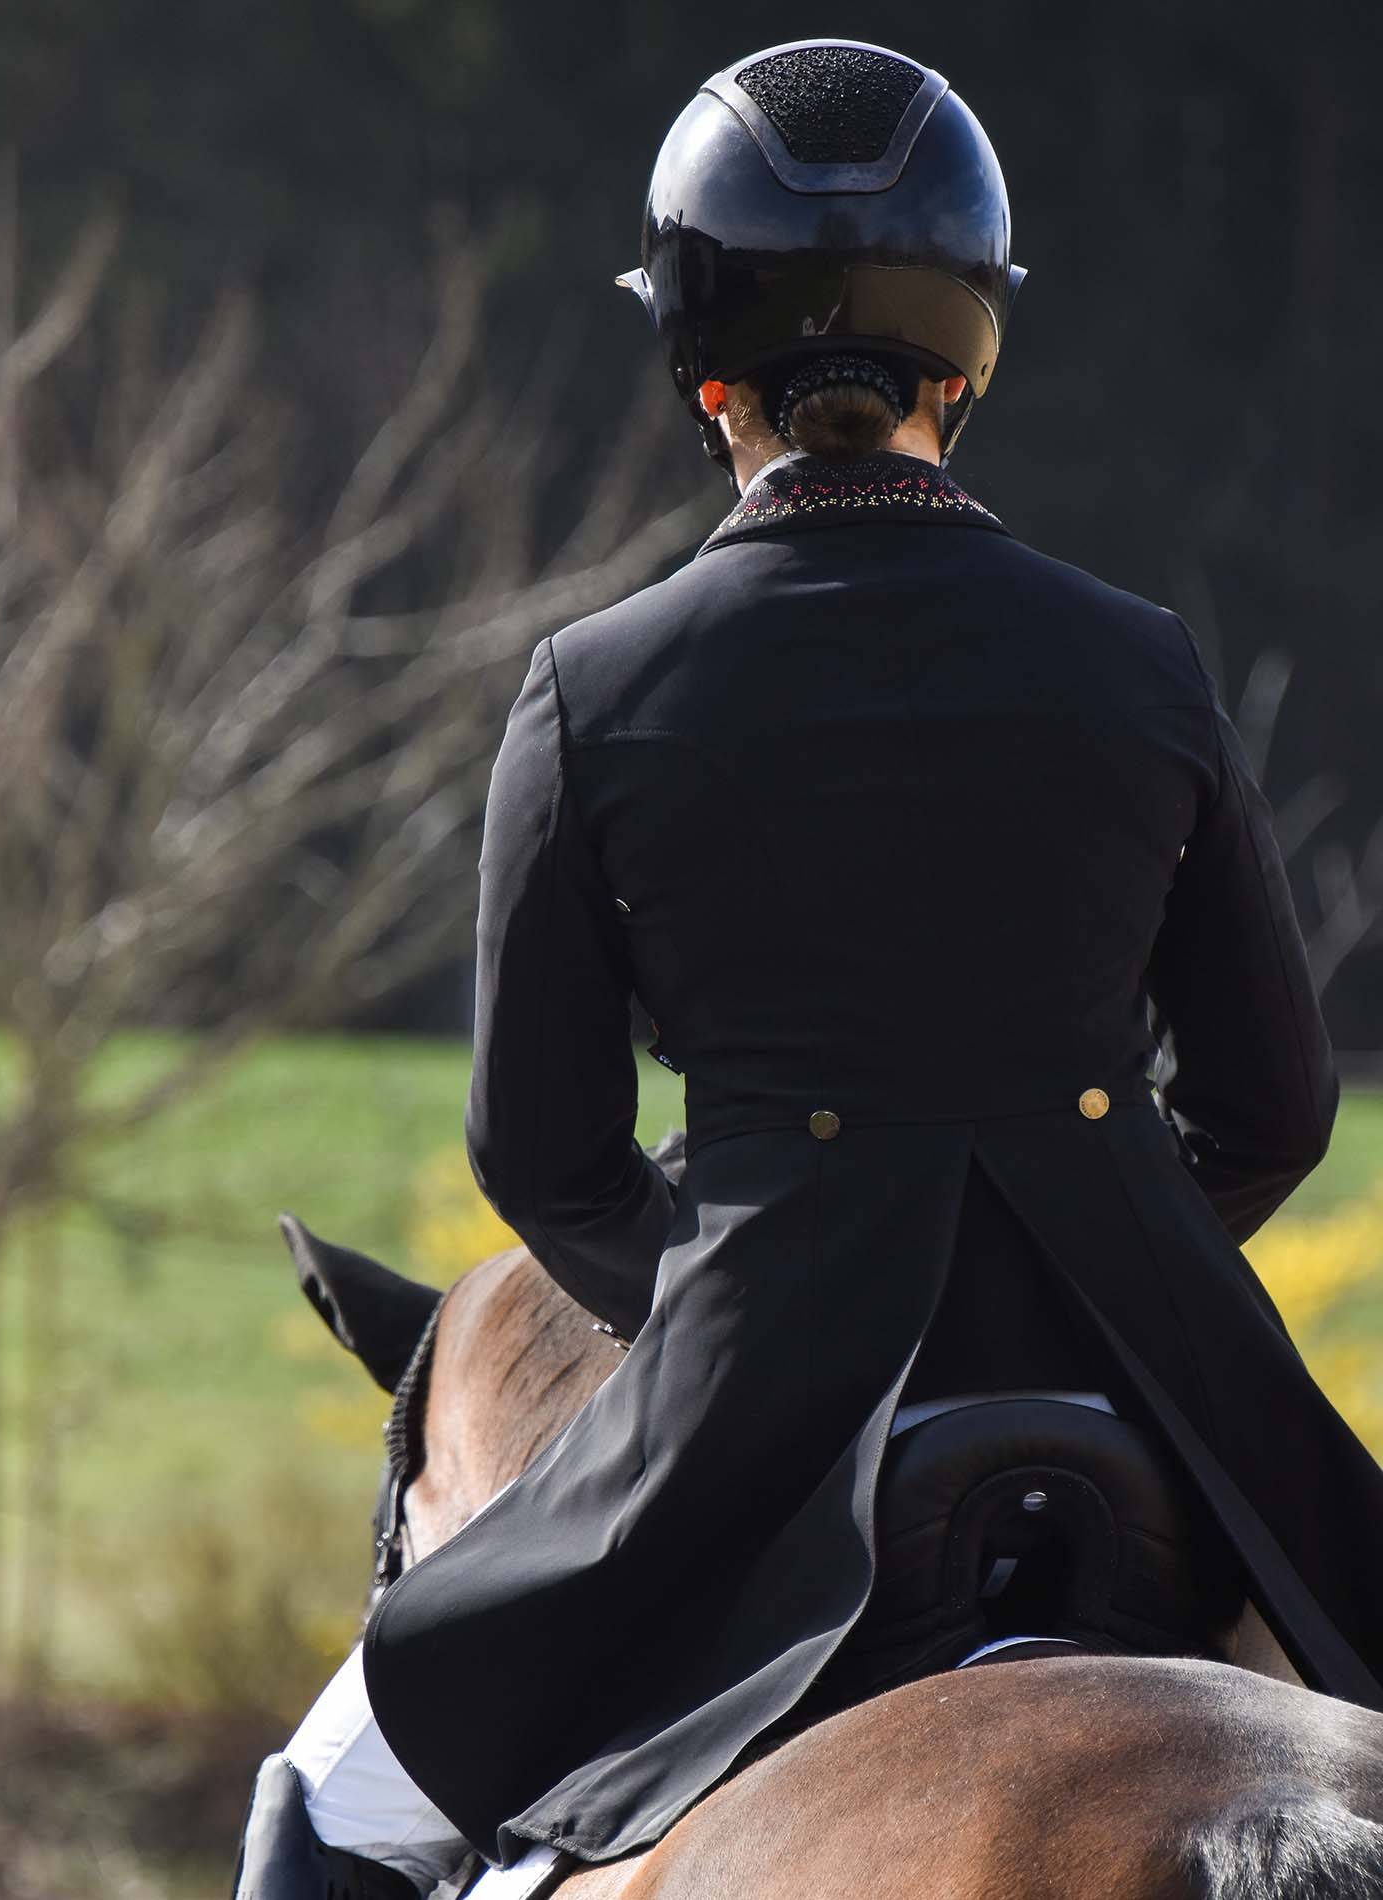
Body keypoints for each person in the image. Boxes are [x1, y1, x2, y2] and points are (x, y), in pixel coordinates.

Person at [232, 38, 1383, 1899]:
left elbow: (544, 1158)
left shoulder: (595, 693)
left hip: (756, 1404)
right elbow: (1274, 1107)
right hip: (1169, 1385)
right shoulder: (1142, 661)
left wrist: (731, 1293)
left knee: (328, 1812)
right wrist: (1095, 1247)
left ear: (704, 375)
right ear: (968, 358)